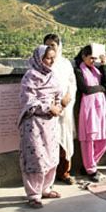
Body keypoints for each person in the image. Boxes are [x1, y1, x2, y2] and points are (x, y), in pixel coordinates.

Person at [18, 45, 62, 208]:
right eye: (47, 58)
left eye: (53, 58)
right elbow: (28, 100)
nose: (51, 61)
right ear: (39, 59)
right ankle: (34, 194)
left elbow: (58, 95)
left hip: (50, 124)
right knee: (35, 158)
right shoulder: (30, 76)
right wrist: (48, 107)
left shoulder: (53, 76)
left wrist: (57, 106)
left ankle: (45, 188)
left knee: (51, 156)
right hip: (34, 124)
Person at [43, 34, 77, 185]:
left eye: (53, 45)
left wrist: (66, 100)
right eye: (47, 45)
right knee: (49, 143)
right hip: (48, 110)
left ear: (59, 47)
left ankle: (64, 172)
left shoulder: (65, 64)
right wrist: (52, 105)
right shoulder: (41, 63)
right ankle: (47, 176)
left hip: (65, 108)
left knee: (65, 141)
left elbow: (72, 84)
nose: (50, 48)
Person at [74, 45, 106, 182]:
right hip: (89, 106)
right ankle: (91, 169)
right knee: (89, 138)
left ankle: (89, 164)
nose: (93, 61)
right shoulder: (79, 70)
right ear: (84, 56)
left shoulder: (97, 70)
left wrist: (104, 66)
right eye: (91, 58)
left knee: (105, 138)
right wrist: (100, 88)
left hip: (101, 106)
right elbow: (85, 89)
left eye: (95, 59)